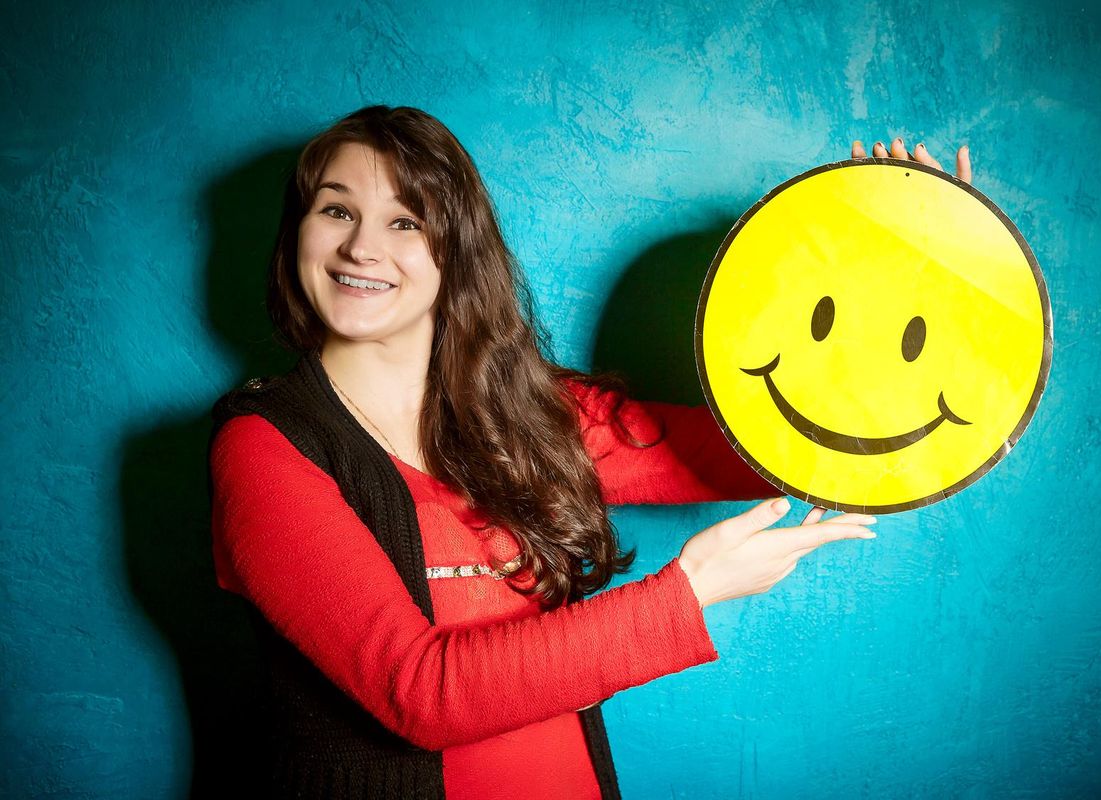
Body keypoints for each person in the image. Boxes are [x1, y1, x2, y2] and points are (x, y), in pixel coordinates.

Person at [208, 105, 966, 798]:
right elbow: (419, 693)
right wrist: (687, 596)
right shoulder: (266, 447)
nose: (361, 246)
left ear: (457, 250)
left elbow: (780, 443)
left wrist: (905, 267)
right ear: (299, 231)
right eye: (336, 209)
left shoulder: (538, 417)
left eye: (406, 221)